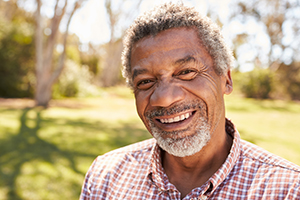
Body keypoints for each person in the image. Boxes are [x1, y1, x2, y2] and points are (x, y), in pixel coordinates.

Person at [80, 3, 300, 199]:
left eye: (186, 72)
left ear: (226, 79)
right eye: (146, 82)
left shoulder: (288, 190)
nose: (164, 98)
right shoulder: (105, 178)